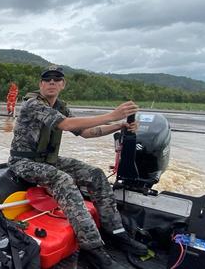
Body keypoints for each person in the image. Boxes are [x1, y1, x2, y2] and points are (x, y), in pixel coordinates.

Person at [8, 65, 147, 269]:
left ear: (63, 84)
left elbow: (86, 132)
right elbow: (64, 124)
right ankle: (93, 249)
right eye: (47, 79)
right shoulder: (32, 104)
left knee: (95, 174)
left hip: (47, 161)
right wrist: (112, 115)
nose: (52, 82)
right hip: (23, 162)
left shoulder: (61, 107)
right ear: (40, 84)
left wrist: (119, 126)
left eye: (57, 79)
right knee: (62, 179)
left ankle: (116, 232)